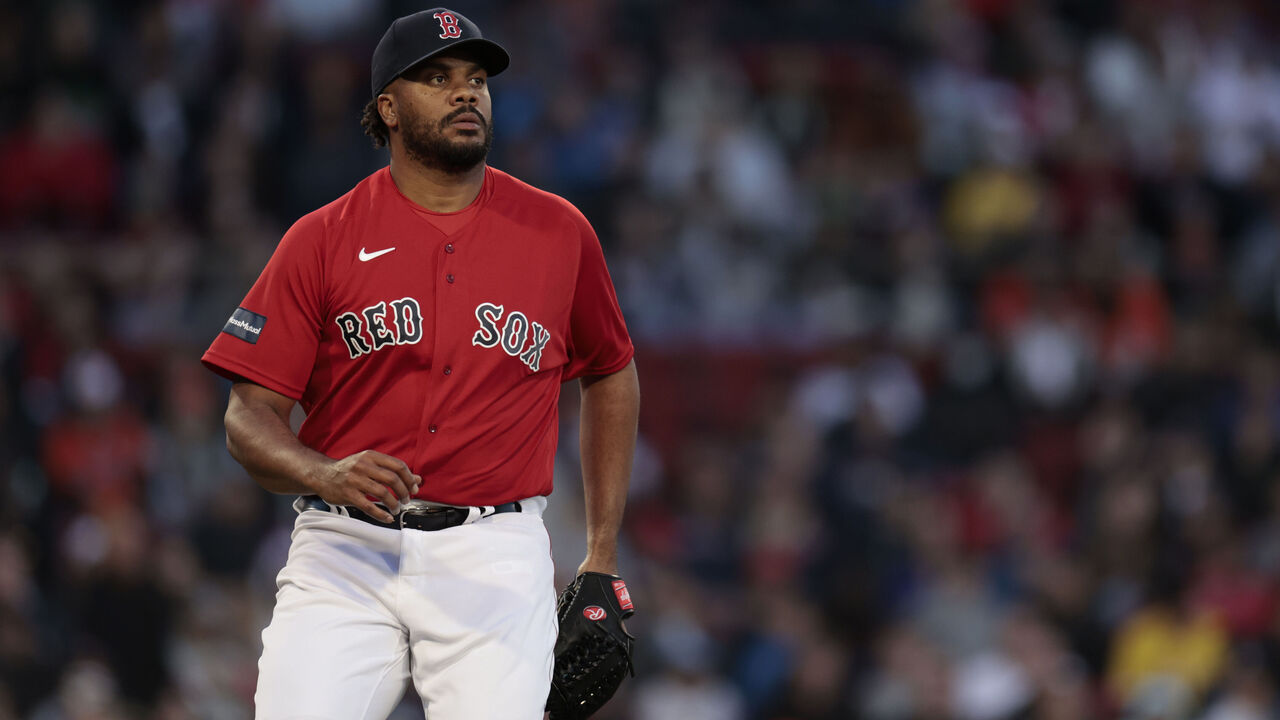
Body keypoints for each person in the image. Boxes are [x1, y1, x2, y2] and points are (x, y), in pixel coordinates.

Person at [200, 8, 640, 719]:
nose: (466, 93)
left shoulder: (560, 232)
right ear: (388, 109)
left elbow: (611, 370)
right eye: (437, 78)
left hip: (494, 553)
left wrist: (601, 553)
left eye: (476, 79)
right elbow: (246, 418)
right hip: (344, 548)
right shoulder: (320, 239)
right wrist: (322, 471)